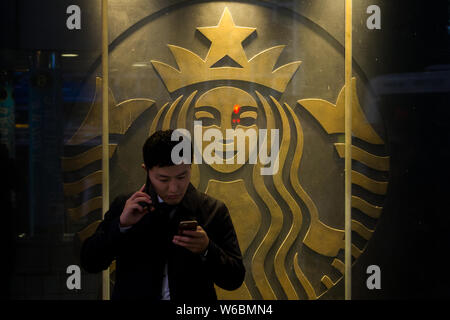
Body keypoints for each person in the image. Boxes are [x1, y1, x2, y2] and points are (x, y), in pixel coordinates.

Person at [80, 129, 245, 300]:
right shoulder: (126, 206)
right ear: (147, 171)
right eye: (163, 179)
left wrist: (207, 249)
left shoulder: (212, 210)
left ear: (190, 166)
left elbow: (234, 279)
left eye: (182, 177)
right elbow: (90, 263)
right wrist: (121, 225)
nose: (173, 188)